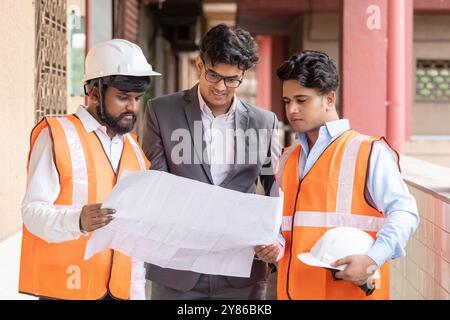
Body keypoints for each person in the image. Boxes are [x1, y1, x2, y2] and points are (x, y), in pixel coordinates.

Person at [141, 23, 281, 300]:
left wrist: (276, 238)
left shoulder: (264, 122)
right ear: (199, 64)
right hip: (177, 269)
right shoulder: (161, 111)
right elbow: (155, 184)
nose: (220, 86)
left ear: (243, 75)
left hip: (240, 270)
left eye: (232, 80)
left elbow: (275, 188)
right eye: (213, 74)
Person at [270, 51, 419, 300]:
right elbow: (279, 227)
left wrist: (373, 259)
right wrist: (271, 245)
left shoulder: (369, 152)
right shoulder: (286, 159)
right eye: (287, 101)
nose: (292, 109)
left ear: (329, 99)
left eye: (301, 100)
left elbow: (405, 213)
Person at [19, 39, 160, 300]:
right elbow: (32, 212)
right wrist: (78, 221)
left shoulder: (133, 149)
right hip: (65, 289)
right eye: (122, 97)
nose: (132, 107)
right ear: (94, 92)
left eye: (137, 98)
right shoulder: (56, 135)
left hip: (119, 291)